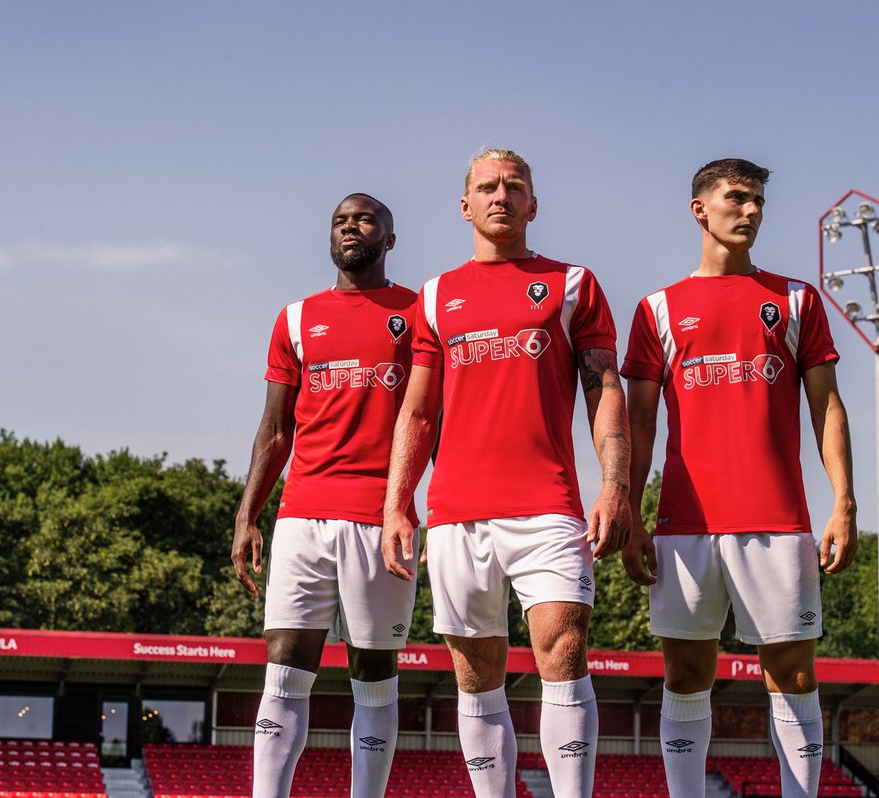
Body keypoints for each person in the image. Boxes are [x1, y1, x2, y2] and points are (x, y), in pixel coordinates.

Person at [381, 148, 630, 798]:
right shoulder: (435, 295)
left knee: (564, 647)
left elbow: (604, 385)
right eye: (487, 187)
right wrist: (397, 504)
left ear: (533, 204)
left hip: (548, 506)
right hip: (458, 513)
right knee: (476, 671)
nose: (501, 196)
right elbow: (417, 410)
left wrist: (616, 483)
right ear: (465, 204)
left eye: (514, 186)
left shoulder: (574, 284)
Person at [620, 158, 858, 798]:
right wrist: (631, 515)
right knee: (687, 670)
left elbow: (826, 406)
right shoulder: (658, 309)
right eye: (736, 198)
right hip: (684, 524)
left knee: (794, 674)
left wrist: (844, 503)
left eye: (758, 202)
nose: (750, 211)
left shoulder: (796, 300)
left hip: (777, 520)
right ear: (699, 209)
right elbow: (639, 423)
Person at [232, 193, 419, 798]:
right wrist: (247, 515)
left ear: (389, 239)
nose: (350, 227)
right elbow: (275, 429)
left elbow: (430, 419)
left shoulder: (419, 313)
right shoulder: (295, 318)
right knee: (284, 668)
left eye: (365, 219)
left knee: (374, 670)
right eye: (340, 220)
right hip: (301, 516)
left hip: (380, 518)